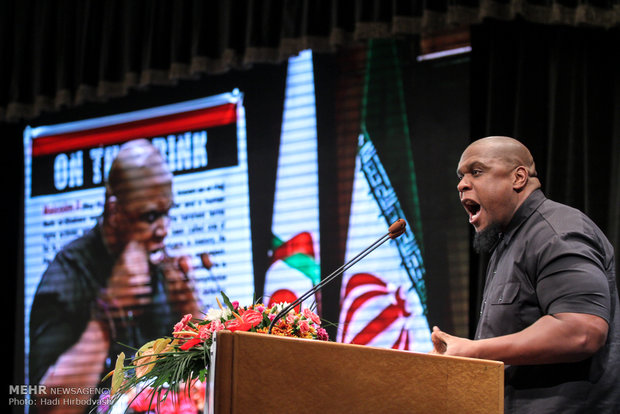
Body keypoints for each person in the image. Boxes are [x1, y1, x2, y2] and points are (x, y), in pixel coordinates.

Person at [431, 136, 619, 413]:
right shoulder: (508, 243)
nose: (462, 184)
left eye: (477, 171)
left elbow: (582, 330)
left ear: (518, 177)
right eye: (461, 176)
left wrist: (474, 350)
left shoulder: (556, 232)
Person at [29, 139, 201, 413]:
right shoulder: (67, 274)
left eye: (167, 213)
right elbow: (47, 407)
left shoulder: (158, 266)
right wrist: (107, 313)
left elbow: (198, 380)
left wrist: (191, 310)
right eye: (150, 216)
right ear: (114, 210)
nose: (163, 230)